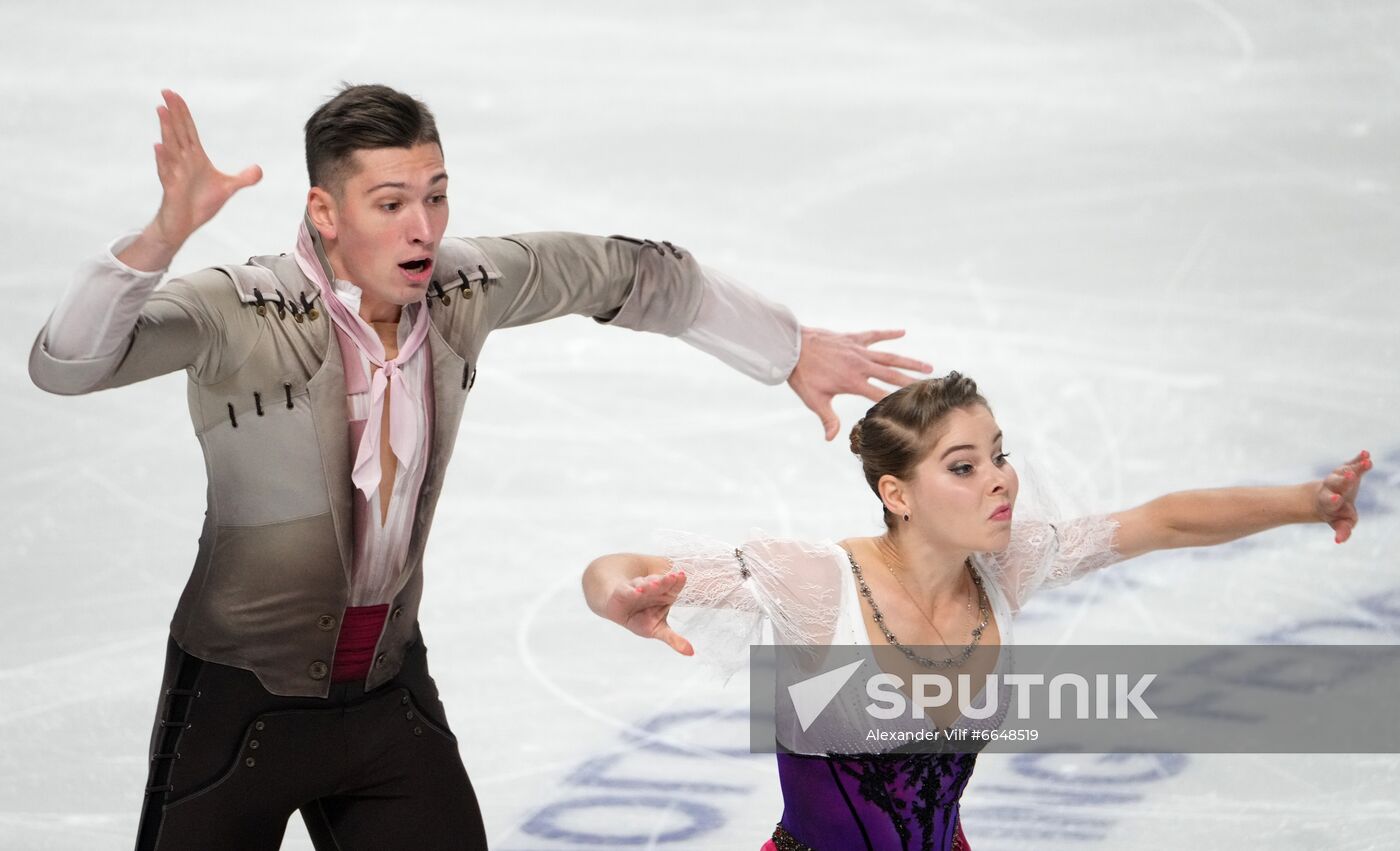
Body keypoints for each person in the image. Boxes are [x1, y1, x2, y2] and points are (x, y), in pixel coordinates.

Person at [27, 85, 935, 851]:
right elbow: (66, 365)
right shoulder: (243, 309)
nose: (423, 228)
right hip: (236, 709)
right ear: (325, 212)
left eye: (437, 195)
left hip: (386, 697)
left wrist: (786, 348)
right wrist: (160, 234)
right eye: (390, 204)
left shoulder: (463, 288)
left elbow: (624, 271)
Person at [582, 372, 1373, 851]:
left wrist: (1306, 500)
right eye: (964, 465)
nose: (999, 478)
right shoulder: (817, 582)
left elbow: (1158, 522)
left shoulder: (1004, 563)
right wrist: (620, 594)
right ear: (896, 493)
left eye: (999, 454)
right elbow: (628, 568)